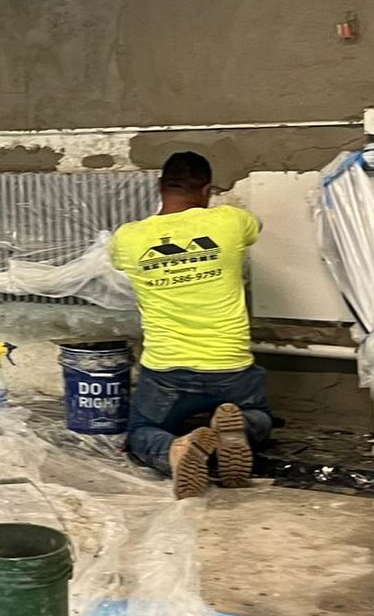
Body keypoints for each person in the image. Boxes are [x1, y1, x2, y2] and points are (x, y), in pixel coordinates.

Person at [109, 151, 272, 498]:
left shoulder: (129, 237)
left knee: (141, 433)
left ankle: (174, 451)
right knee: (259, 415)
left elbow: (115, 263)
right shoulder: (231, 221)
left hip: (167, 372)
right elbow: (255, 229)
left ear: (159, 186)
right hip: (230, 369)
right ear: (207, 190)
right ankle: (238, 426)